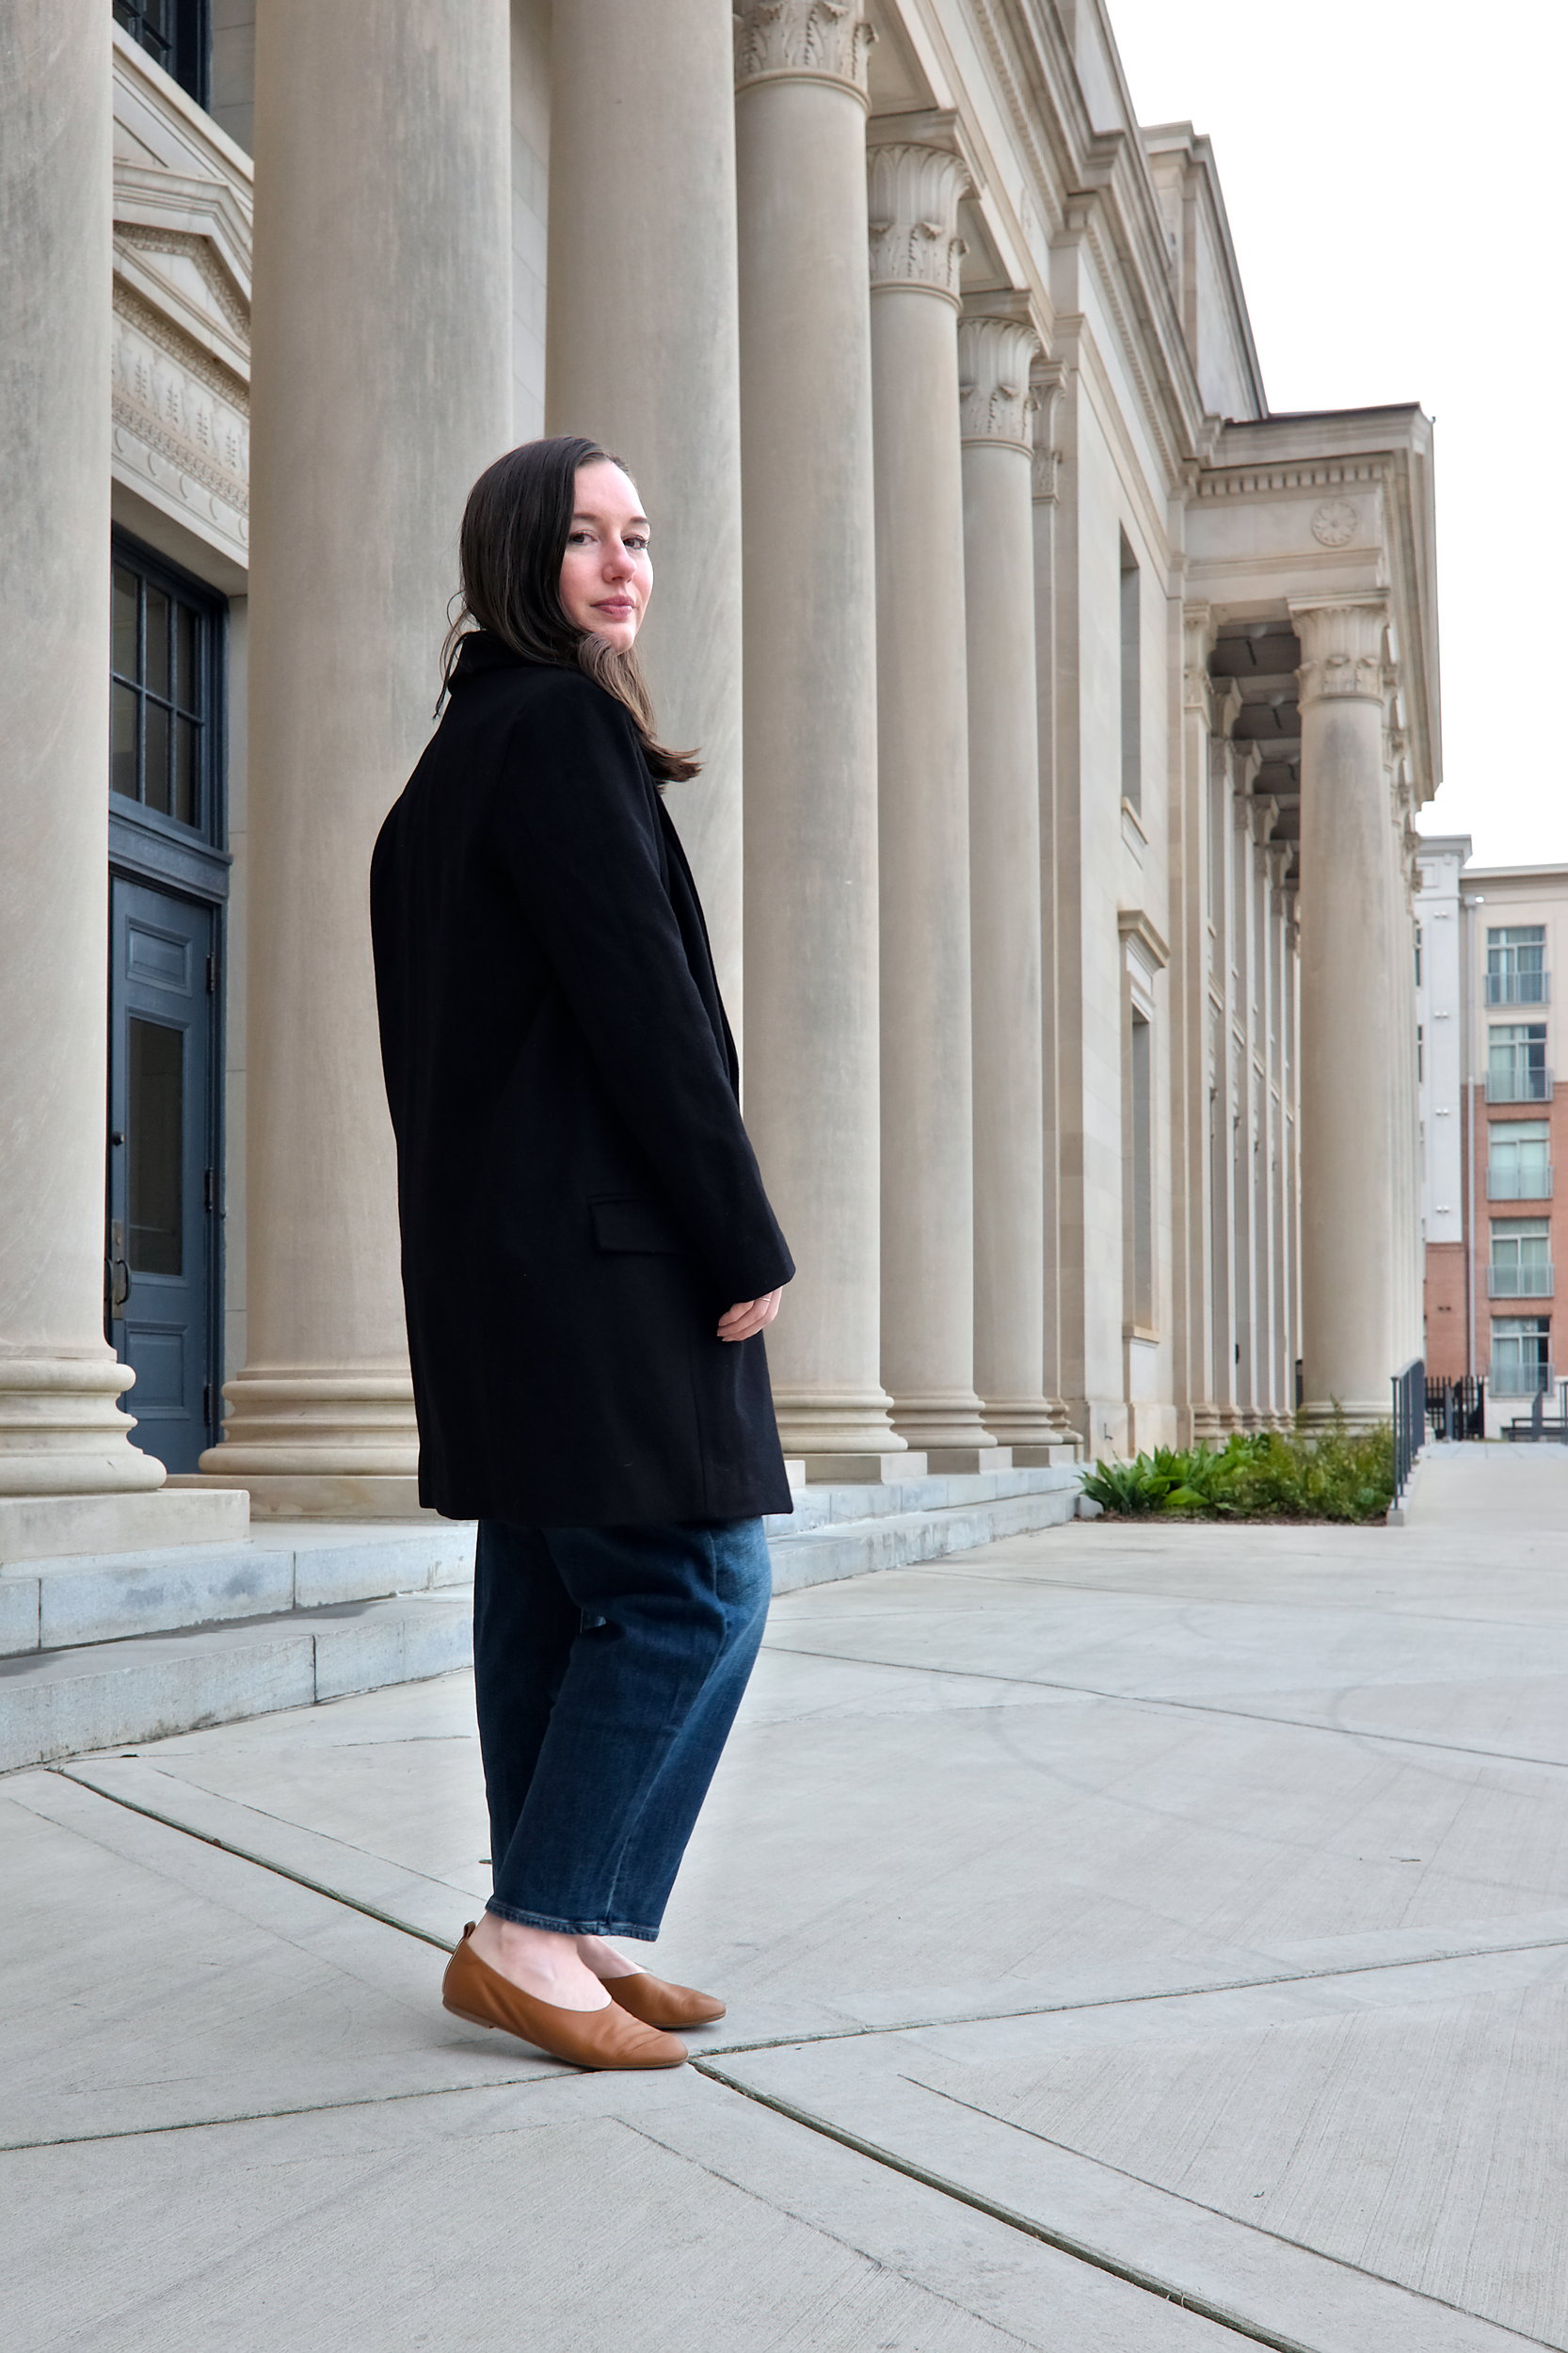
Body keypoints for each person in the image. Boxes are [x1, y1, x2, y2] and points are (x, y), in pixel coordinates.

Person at [370, 436, 794, 2071]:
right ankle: (536, 1921)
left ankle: (558, 1923)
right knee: (697, 1586)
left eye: (639, 537)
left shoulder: (452, 765)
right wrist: (734, 1226)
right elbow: (645, 1010)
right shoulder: (557, 736)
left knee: (551, 1591)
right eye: (584, 539)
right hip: (602, 1258)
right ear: (517, 561)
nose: (623, 566)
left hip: (505, 1264)